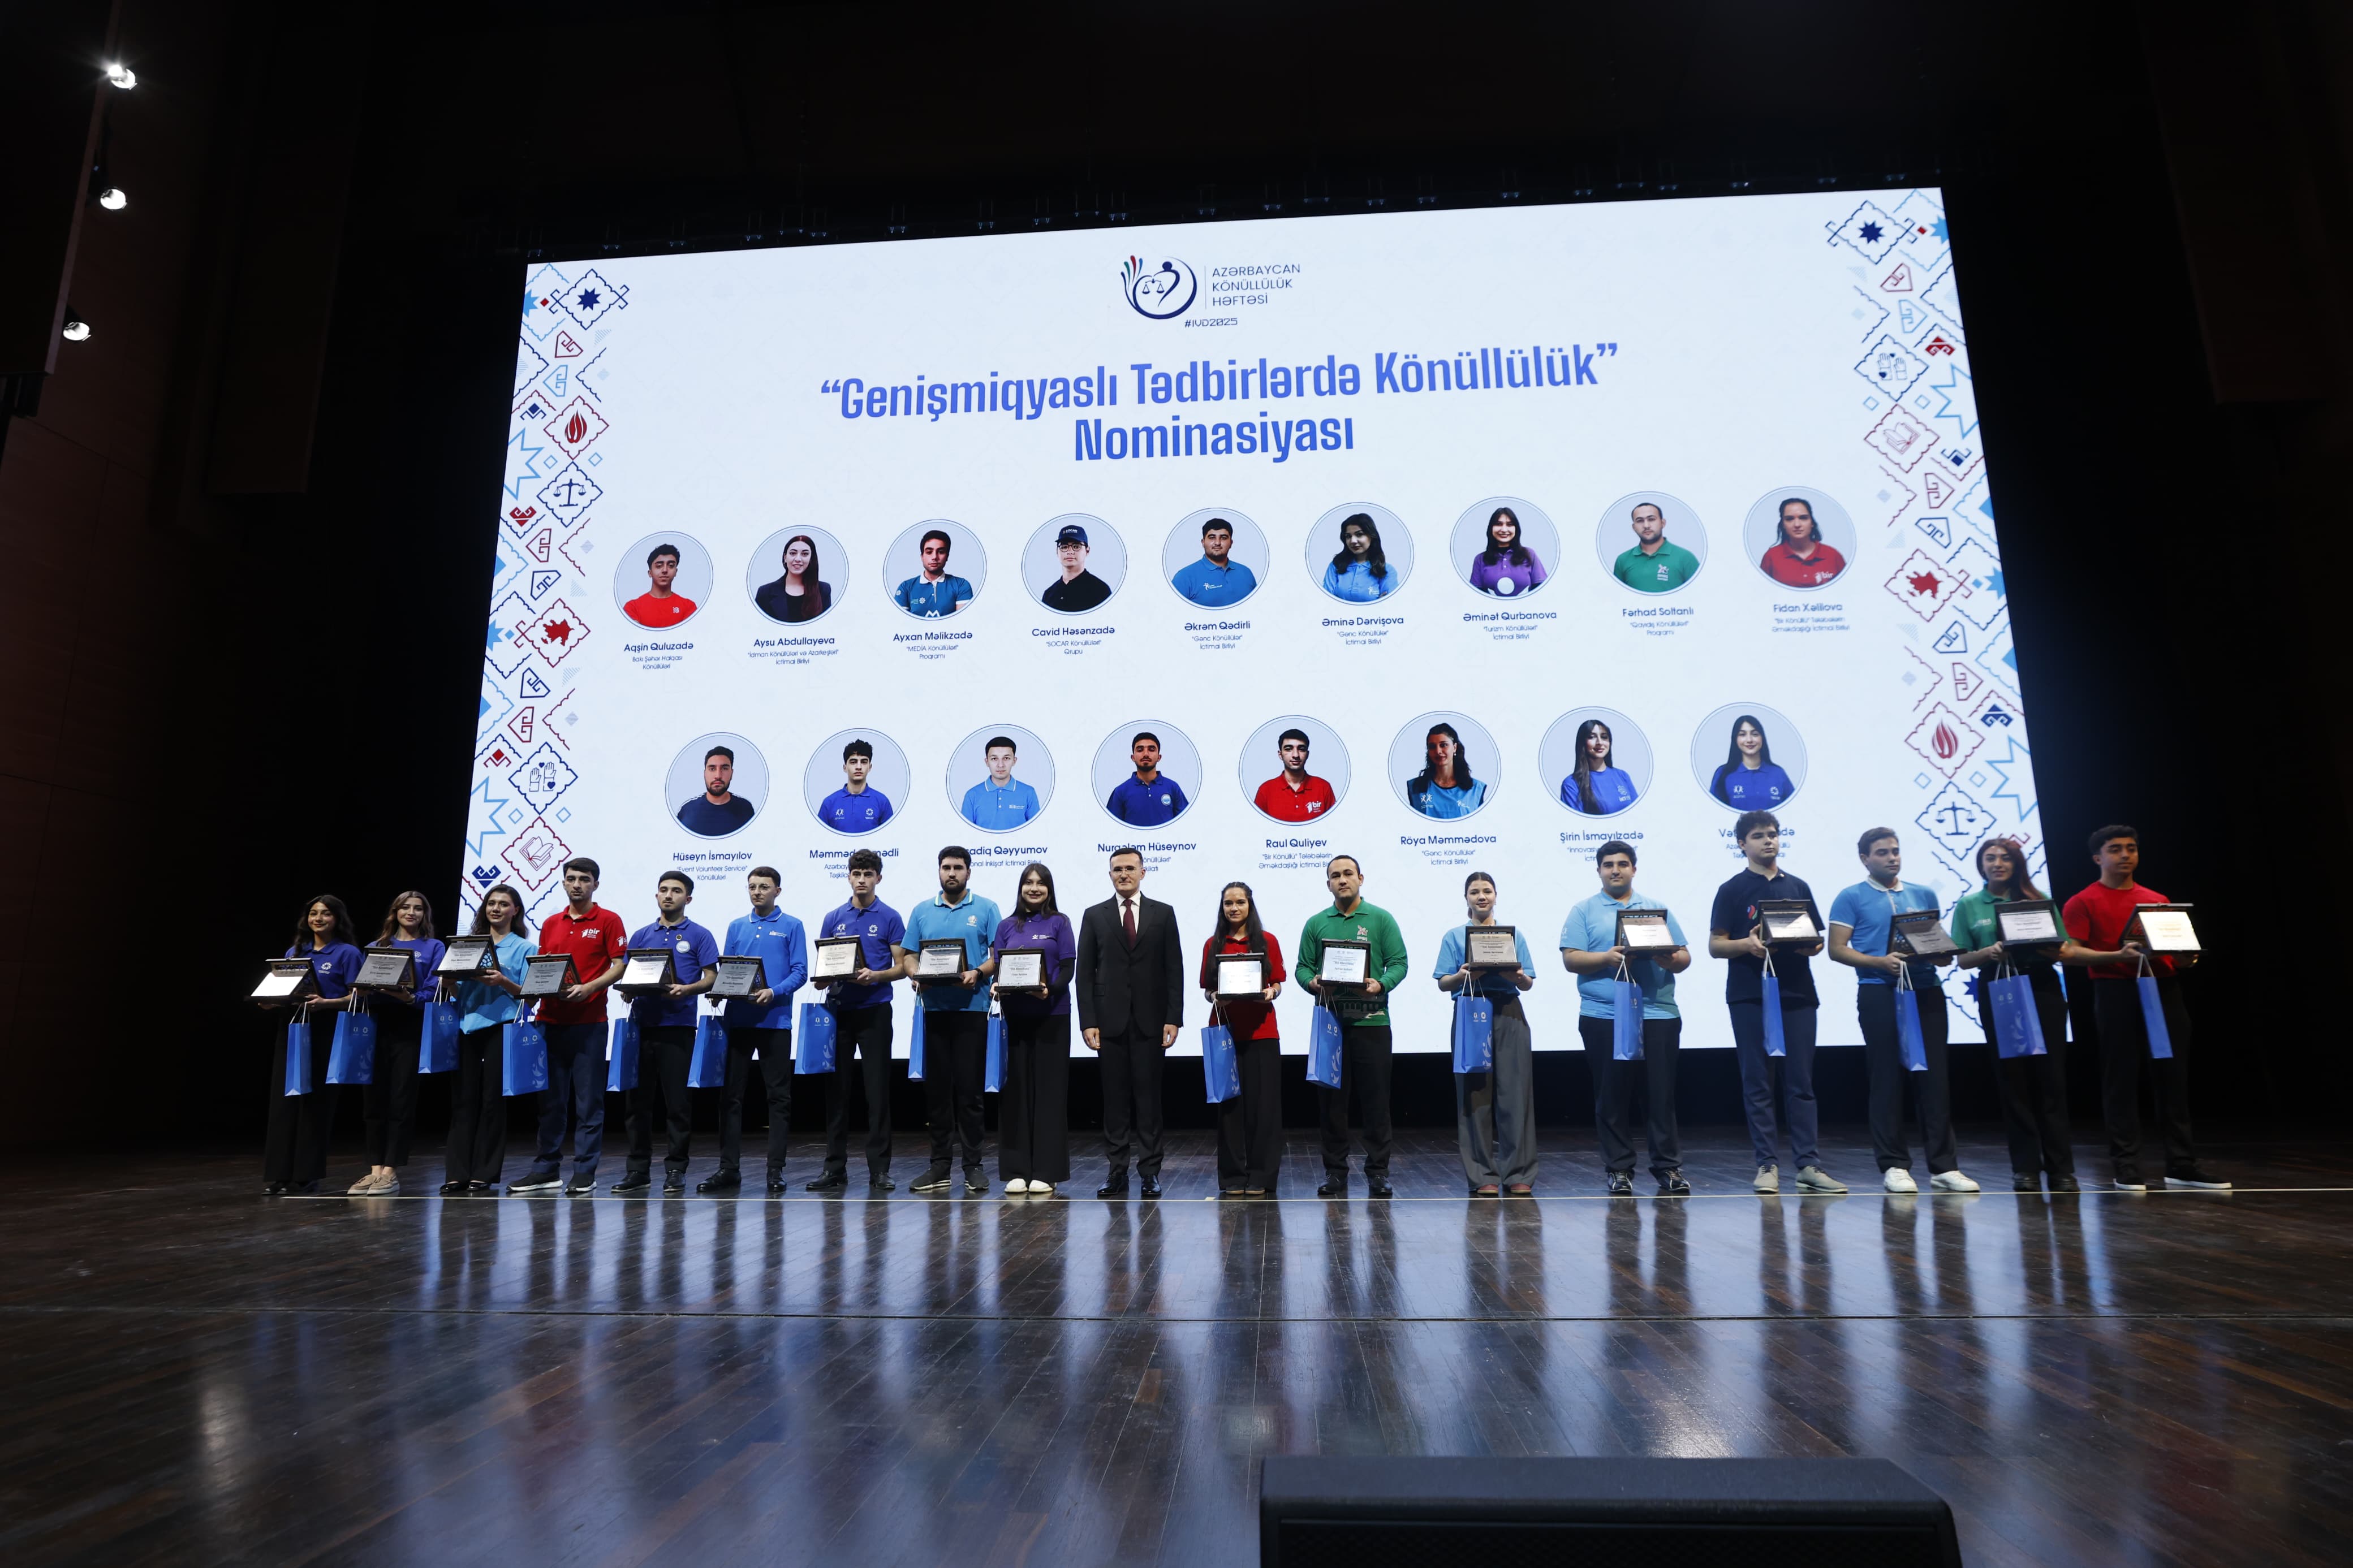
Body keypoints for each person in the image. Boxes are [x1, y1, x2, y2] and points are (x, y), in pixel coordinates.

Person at [2061, 824, 2227, 1191]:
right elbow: (2069, 952)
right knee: (2121, 1078)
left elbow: (2179, 955)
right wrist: (2116, 956)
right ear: (2097, 858)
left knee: (2173, 1076)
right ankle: (2127, 1165)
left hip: (2163, 988)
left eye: (2131, 848)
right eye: (2115, 849)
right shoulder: (2083, 901)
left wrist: (2187, 957)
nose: (2125, 855)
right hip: (2115, 990)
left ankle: (2181, 1164)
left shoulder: (2157, 900)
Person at [1828, 828, 1979, 1194]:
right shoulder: (1850, 896)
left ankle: (1944, 1167)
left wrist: (1943, 955)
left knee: (1934, 1078)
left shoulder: (1922, 893)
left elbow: (1936, 943)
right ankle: (1894, 1165)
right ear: (1865, 858)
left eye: (1895, 851)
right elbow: (1837, 949)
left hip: (1926, 990)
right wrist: (1879, 962)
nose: (1892, 857)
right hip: (1879, 991)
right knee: (1886, 1078)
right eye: (1882, 852)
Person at [1708, 810, 1845, 1194]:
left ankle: (1808, 1165)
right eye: (1758, 835)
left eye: (1772, 834)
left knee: (1801, 1082)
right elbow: (1716, 945)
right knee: (1758, 1081)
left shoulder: (1798, 885)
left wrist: (1809, 945)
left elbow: (1817, 941)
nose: (1768, 840)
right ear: (1742, 844)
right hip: (1750, 995)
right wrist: (1747, 944)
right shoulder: (1732, 889)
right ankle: (1767, 1164)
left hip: (1797, 993)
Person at [1950, 837, 2092, 1193]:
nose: (1998, 864)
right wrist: (1990, 952)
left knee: (2051, 1079)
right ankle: (2025, 1167)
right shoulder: (1969, 904)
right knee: (2013, 1080)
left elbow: (2063, 949)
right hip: (1999, 986)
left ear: (2017, 864)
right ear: (1981, 865)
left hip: (2042, 987)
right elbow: (1963, 959)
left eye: (2005, 858)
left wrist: (2047, 948)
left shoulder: (2038, 900)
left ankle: (2061, 1169)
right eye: (1990, 858)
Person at [1561, 841, 1693, 1196]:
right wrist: (1607, 958)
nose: (1615, 870)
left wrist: (1670, 960)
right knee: (1612, 1095)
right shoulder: (1583, 910)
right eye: (1608, 865)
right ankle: (1619, 1169)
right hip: (1605, 1015)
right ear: (1599, 871)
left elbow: (1684, 957)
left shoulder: (1655, 910)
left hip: (1657, 1013)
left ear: (1634, 869)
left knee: (1660, 1095)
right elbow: (1571, 959)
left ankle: (1668, 1168)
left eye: (1622, 864)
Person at [512, 856, 627, 1195]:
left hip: (589, 1023)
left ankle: (585, 1171)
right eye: (572, 878)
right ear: (563, 882)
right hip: (549, 1021)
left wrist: (590, 988)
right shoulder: (551, 923)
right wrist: (531, 996)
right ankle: (546, 1169)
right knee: (550, 1103)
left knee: (589, 1103)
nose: (577, 884)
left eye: (584, 879)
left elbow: (619, 966)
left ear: (595, 884)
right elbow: (545, 968)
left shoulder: (608, 920)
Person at [1296, 854, 1410, 1198]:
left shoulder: (1381, 918)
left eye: (1348, 874)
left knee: (1376, 1102)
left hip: (1373, 1023)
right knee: (1331, 1104)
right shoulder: (1316, 923)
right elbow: (1302, 968)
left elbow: (1399, 963)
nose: (1342, 880)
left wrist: (1382, 984)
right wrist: (1314, 983)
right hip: (1331, 1024)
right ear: (1328, 883)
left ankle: (1378, 1173)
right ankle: (1335, 1173)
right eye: (1335, 876)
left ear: (1361, 878)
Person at [1074, 848, 1184, 1198]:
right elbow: (1084, 974)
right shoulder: (1095, 915)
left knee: (1149, 1101)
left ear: (1143, 873)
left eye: (1130, 869)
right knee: (1115, 1101)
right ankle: (1117, 1171)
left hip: (1152, 1022)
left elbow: (1174, 969)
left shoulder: (1163, 913)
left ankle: (1150, 1172)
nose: (1124, 874)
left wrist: (1174, 1017)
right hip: (1109, 1023)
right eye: (1117, 869)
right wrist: (1088, 1021)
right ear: (1110, 875)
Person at [613, 871, 720, 1196]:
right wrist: (628, 990)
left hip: (678, 1027)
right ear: (657, 895)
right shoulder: (642, 935)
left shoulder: (700, 935)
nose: (669, 895)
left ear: (688, 898)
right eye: (663, 890)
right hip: (642, 1027)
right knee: (637, 1103)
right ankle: (638, 1170)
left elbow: (711, 977)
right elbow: (628, 974)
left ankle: (676, 1169)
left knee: (678, 1104)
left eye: (676, 891)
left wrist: (688, 989)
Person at [904, 846, 1003, 1196]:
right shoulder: (922, 910)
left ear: (968, 872)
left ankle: (973, 1167)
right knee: (937, 1094)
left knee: (970, 1094)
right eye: (946, 867)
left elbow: (998, 955)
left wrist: (978, 972)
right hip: (934, 1011)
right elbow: (909, 956)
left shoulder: (986, 908)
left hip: (972, 1011)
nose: (952, 873)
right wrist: (916, 975)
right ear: (939, 871)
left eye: (958, 868)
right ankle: (940, 1166)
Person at [808, 847, 907, 1193]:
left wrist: (876, 975)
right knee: (836, 1092)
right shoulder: (834, 917)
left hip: (875, 1011)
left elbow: (902, 967)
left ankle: (879, 1170)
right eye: (856, 874)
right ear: (848, 877)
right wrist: (822, 979)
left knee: (877, 1092)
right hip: (839, 1012)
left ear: (878, 878)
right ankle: (834, 1168)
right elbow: (824, 965)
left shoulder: (890, 916)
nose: (862, 880)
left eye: (868, 874)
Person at [1434, 871, 1536, 1197]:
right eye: (1475, 892)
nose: (1482, 896)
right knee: (1474, 1094)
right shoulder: (1454, 936)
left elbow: (1527, 982)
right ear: (1466, 897)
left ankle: (1518, 1172)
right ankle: (1482, 1175)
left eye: (1487, 891)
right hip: (1470, 1010)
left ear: (1495, 896)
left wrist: (1515, 976)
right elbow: (1443, 982)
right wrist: (1463, 975)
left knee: (1515, 1094)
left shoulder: (1512, 936)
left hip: (1509, 1011)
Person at [712, 865, 808, 1195]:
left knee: (778, 1098)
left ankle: (775, 1170)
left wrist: (774, 991)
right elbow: (729, 970)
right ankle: (728, 1169)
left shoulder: (792, 925)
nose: (757, 892)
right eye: (752, 886)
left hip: (775, 1021)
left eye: (764, 887)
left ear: (777, 891)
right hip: (738, 1021)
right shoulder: (737, 926)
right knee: (730, 1098)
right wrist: (720, 991)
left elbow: (800, 972)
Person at [261, 895, 364, 1195]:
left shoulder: (347, 953)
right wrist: (269, 1001)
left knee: (316, 1102)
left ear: (338, 919)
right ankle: (279, 1175)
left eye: (326, 913)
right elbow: (282, 989)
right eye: (314, 913)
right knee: (285, 1101)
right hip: (293, 1028)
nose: (318, 919)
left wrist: (327, 1003)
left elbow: (358, 996)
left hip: (326, 1029)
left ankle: (306, 1175)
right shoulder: (295, 952)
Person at [347, 891, 447, 1195]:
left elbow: (434, 989)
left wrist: (409, 997)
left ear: (425, 915)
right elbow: (362, 985)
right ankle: (374, 1170)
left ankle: (391, 1171)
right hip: (376, 1024)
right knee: (373, 1099)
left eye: (418, 908)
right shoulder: (378, 946)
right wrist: (362, 990)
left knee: (401, 1098)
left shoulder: (433, 946)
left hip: (411, 1026)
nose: (411, 912)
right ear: (395, 912)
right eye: (405, 907)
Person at [993, 862, 1078, 1195]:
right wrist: (998, 985)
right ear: (1021, 888)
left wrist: (1049, 990)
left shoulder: (1060, 922)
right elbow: (1000, 967)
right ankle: (1017, 1170)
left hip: (1053, 1015)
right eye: (1028, 883)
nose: (1034, 888)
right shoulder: (1006, 926)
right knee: (1014, 1094)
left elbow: (1068, 967)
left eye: (1041, 883)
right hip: (1015, 1017)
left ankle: (1047, 1170)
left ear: (1049, 889)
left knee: (1050, 1094)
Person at [442, 884, 532, 1196]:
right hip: (467, 1026)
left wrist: (503, 981)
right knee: (463, 1100)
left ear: (515, 911)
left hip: (501, 1027)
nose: (496, 909)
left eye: (504, 904)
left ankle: (484, 1172)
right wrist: (450, 982)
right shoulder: (468, 945)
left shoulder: (524, 948)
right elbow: (457, 991)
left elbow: (531, 996)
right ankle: (457, 1173)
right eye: (491, 903)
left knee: (493, 1101)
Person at [1200, 881, 1287, 1198]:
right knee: (1229, 1107)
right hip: (1225, 1031)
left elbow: (1278, 983)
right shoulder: (1213, 944)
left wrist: (1271, 992)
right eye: (1228, 903)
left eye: (1240, 902)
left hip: (1262, 1032)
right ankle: (1233, 1177)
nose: (1234, 908)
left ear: (1250, 905)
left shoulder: (1268, 941)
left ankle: (1261, 1175)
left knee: (1264, 1108)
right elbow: (1207, 989)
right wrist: (1215, 997)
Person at [1706, 714, 1798, 810]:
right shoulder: (1723, 774)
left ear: (1762, 738)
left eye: (1755, 734)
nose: (1749, 740)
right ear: (1735, 739)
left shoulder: (1778, 773)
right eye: (1742, 735)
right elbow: (1713, 812)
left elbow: (1794, 809)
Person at [1612, 500, 1701, 593]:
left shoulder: (1686, 558)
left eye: (1651, 519)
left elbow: (1699, 595)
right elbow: (1618, 598)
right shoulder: (1623, 560)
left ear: (1663, 523)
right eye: (1640, 521)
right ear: (1634, 527)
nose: (1646, 526)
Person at [1252, 728, 1337, 822]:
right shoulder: (1266, 790)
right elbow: (1257, 827)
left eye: (1302, 749)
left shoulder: (1323, 787)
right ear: (1280, 755)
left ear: (1308, 754)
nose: (1296, 755)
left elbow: (1333, 825)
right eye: (1289, 749)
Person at [1171, 516, 1259, 608]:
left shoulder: (1246, 573)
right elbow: (1172, 613)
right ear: (1203, 542)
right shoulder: (1185, 577)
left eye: (1224, 538)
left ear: (1231, 543)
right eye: (1212, 537)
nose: (1217, 543)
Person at [1757, 497, 1847, 587]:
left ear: (1812, 523)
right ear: (1783, 525)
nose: (1797, 525)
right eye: (1789, 519)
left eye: (1803, 518)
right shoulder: (1771, 557)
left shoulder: (1833, 555)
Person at [1406, 721, 1488, 818]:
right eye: (1432, 747)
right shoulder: (1416, 788)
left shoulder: (1476, 789)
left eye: (1444, 745)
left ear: (1455, 748)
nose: (1438, 751)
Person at [1106, 731, 1189, 826]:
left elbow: (1186, 824)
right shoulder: (1120, 791)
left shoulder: (1173, 788)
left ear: (1159, 757)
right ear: (1133, 757)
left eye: (1151, 750)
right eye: (1140, 750)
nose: (1146, 754)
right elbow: (1112, 828)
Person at [1559, 718, 1638, 815]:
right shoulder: (1571, 785)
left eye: (1604, 737)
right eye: (1592, 737)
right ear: (1583, 742)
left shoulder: (1622, 776)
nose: (1600, 742)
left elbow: (1638, 813)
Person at [960, 736, 1042, 830]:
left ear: (1014, 761)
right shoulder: (972, 795)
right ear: (987, 762)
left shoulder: (1029, 793)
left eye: (1006, 758)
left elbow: (1036, 831)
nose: (1001, 765)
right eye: (994, 759)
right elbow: (965, 833)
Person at [1467, 505, 1547, 597]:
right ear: (1491, 528)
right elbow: (1476, 596)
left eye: (1510, 525)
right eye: (1498, 524)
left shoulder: (1530, 554)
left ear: (1516, 529)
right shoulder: (1480, 559)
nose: (1504, 530)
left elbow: (1541, 591)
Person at [676, 744, 756, 836]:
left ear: (732, 773)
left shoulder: (746, 809)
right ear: (705, 774)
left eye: (725, 768)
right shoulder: (687, 811)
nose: (718, 776)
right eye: (712, 769)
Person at [893, 527, 974, 617]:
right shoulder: (906, 587)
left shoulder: (961, 585)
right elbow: (899, 622)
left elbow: (963, 621)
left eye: (941, 552)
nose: (934, 557)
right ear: (922, 557)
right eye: (929, 552)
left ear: (947, 556)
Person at [818, 738, 894, 833]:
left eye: (864, 762)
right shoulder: (829, 803)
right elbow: (820, 838)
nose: (859, 767)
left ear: (870, 767)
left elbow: (890, 837)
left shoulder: (882, 802)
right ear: (845, 767)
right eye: (853, 762)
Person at [753, 533, 832, 623]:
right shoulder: (765, 592)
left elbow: (826, 627)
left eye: (805, 554)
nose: (798, 559)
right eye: (793, 553)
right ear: (785, 558)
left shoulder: (824, 590)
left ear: (811, 559)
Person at [1320, 512, 1397, 602]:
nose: (1353, 541)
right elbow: (1326, 601)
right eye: (1348, 536)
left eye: (1359, 534)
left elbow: (1388, 605)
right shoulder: (1336, 566)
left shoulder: (1387, 570)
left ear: (1372, 536)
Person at [1040, 522, 1112, 612]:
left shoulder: (1101, 591)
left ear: (1087, 551)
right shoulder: (1049, 594)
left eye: (1076, 546)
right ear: (1057, 552)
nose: (1070, 552)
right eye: (1064, 547)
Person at [623, 541, 699, 627]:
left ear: (676, 572)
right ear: (650, 573)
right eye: (659, 566)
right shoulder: (633, 607)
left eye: (671, 565)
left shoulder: (688, 607)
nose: (665, 570)